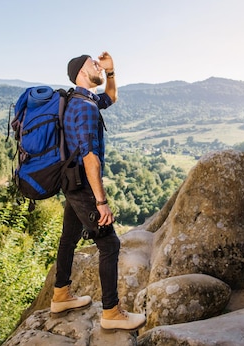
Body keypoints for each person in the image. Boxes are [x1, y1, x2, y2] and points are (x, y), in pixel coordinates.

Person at [50, 51, 146, 331]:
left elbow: (112, 97)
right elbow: (90, 156)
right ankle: (111, 312)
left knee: (68, 237)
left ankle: (60, 294)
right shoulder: (85, 108)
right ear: (81, 73)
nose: (98, 66)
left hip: (71, 183)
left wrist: (112, 71)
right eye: (92, 64)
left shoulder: (83, 100)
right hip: (83, 185)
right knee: (110, 245)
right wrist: (101, 202)